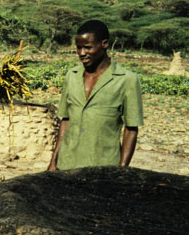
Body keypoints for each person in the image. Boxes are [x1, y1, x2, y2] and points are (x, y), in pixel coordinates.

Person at [47, 19, 143, 171]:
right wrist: (54, 162)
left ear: (104, 44)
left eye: (87, 47)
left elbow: (131, 129)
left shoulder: (127, 80)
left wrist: (122, 171)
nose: (81, 53)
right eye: (78, 48)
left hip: (103, 169)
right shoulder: (71, 76)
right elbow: (65, 120)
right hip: (67, 165)